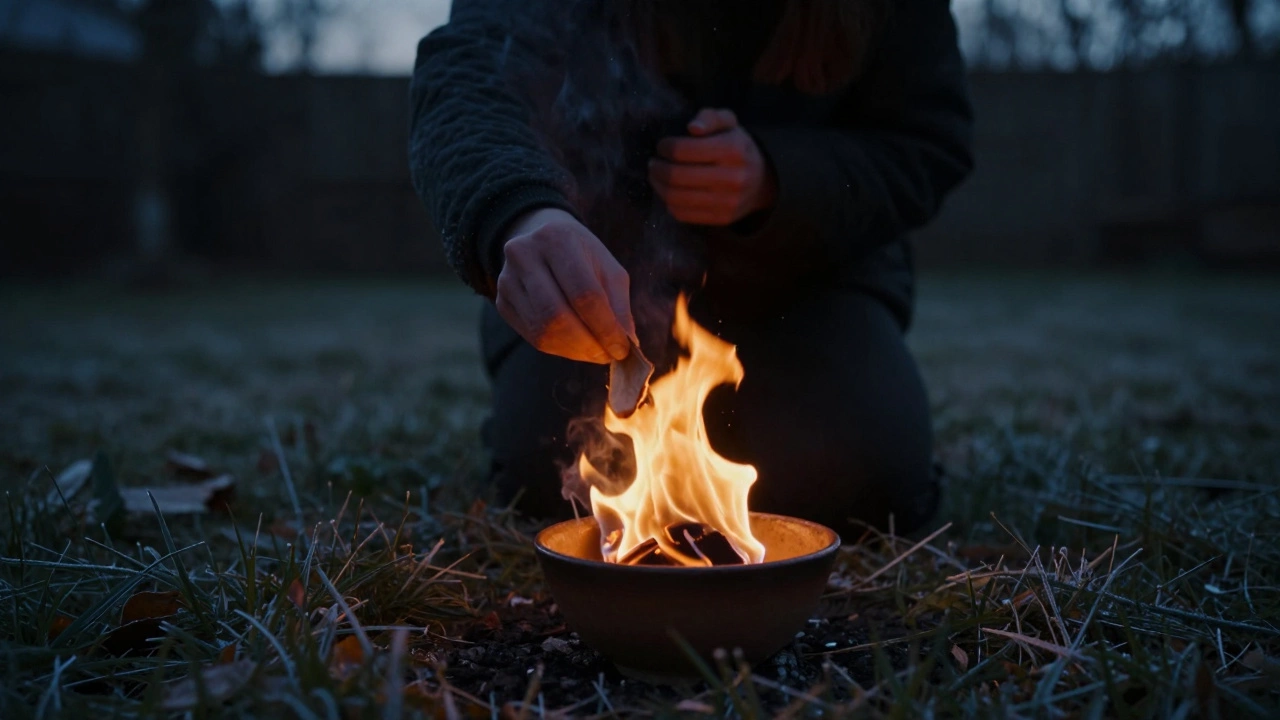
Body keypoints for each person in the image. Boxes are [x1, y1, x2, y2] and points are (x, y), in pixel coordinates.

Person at [409, 0, 974, 537]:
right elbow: (471, 72)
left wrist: (779, 179)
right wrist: (521, 212)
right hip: (602, 291)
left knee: (868, 471)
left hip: (806, 279)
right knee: (553, 470)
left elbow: (927, 141)